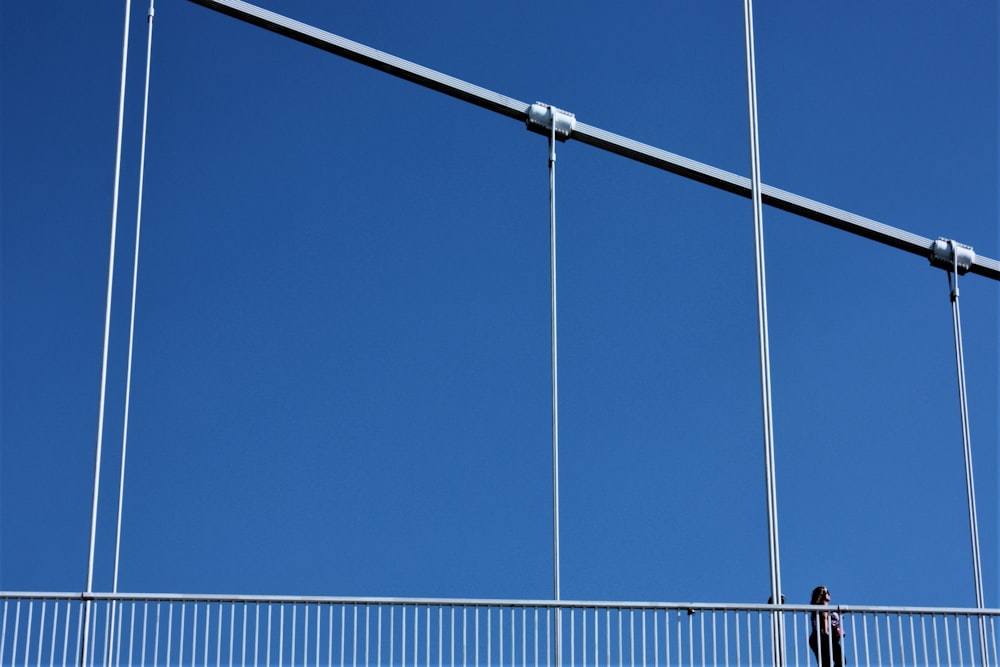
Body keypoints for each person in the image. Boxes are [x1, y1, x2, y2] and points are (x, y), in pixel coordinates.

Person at [808, 586, 844, 667]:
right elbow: (824, 618)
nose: (829, 593)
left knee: (827, 662)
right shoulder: (822, 606)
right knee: (837, 661)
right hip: (823, 637)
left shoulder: (819, 608)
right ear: (821, 594)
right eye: (827, 592)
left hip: (819, 637)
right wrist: (826, 632)